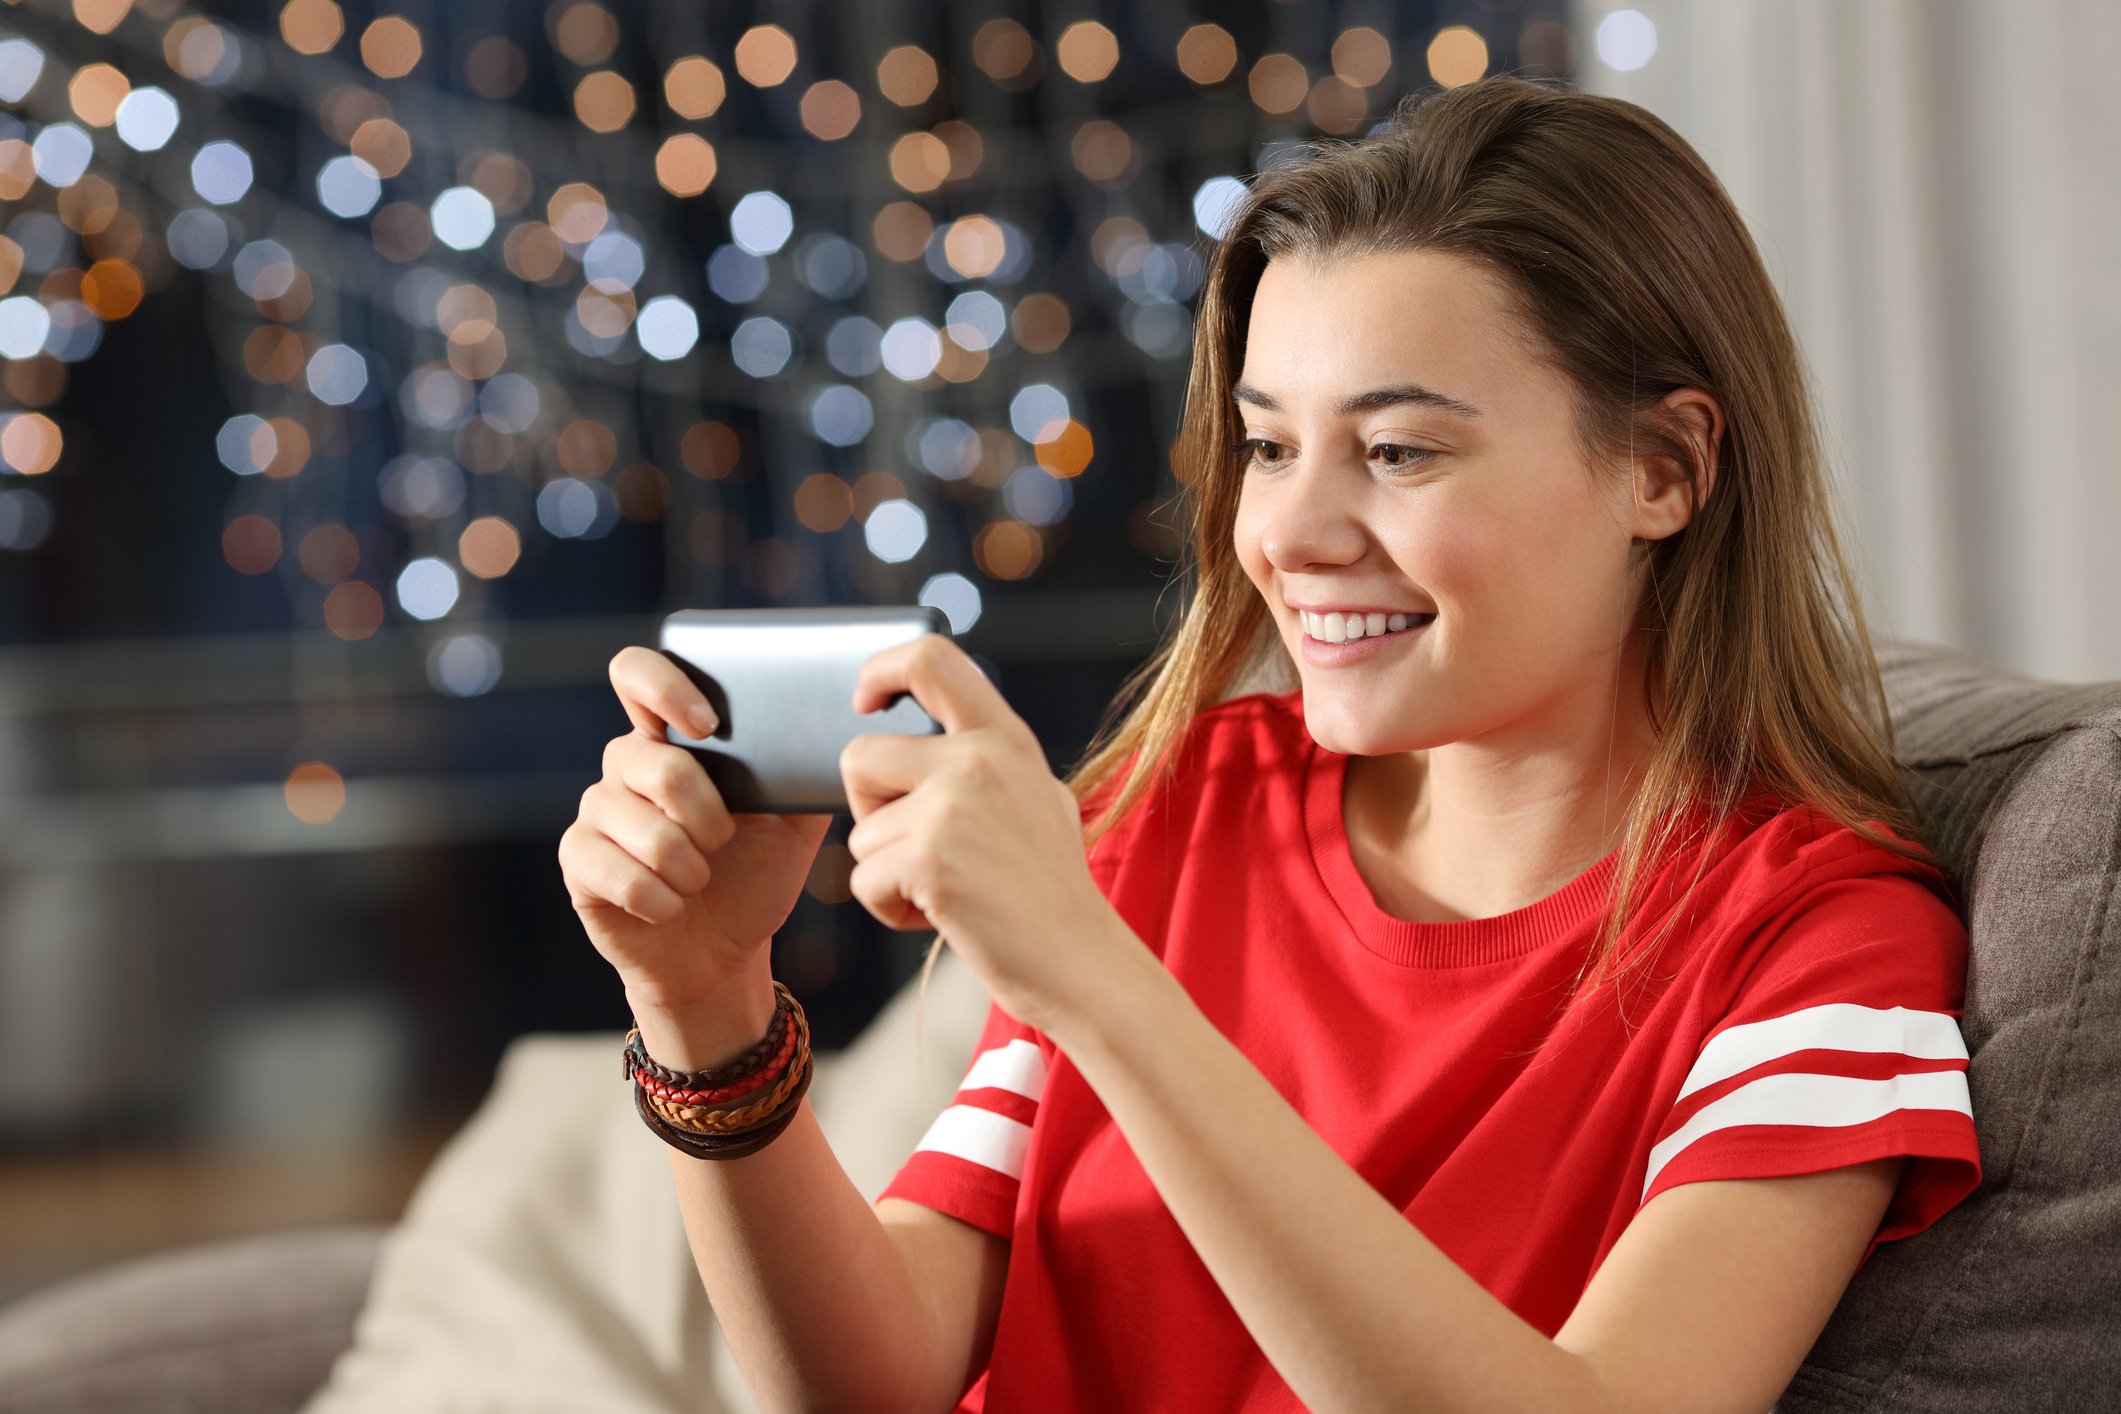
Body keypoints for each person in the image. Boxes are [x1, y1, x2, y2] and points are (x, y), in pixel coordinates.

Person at [558, 74, 1981, 1413]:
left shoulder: (1822, 948)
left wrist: (1103, 985)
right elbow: (879, 1373)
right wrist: (706, 1006)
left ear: (1662, 471)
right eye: (1268, 445)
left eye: (1399, 450)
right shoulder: (1174, 811)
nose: (1286, 539)